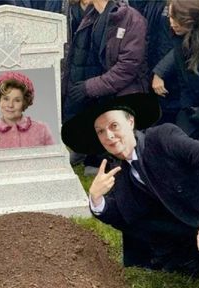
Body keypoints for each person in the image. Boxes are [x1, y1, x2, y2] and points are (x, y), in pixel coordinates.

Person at [62, 93, 199, 288]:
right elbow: (125, 217)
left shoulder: (162, 137)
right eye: (101, 132)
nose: (109, 135)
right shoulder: (119, 170)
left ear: (130, 121)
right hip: (187, 231)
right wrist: (96, 198)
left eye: (114, 125)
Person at [62, 0, 148, 174]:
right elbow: (79, 54)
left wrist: (89, 87)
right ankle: (85, 150)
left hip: (125, 89)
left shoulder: (131, 19)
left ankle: (116, 160)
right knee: (82, 103)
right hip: (98, 84)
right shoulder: (91, 14)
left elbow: (127, 68)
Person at [154, 0, 199, 147]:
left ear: (192, 18)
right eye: (170, 17)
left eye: (177, 18)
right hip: (194, 106)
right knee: (176, 145)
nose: (172, 23)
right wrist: (188, 107)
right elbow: (184, 80)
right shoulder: (180, 41)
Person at [0, 71, 55, 150]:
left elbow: (54, 159)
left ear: (24, 102)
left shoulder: (42, 130)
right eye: (6, 99)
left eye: (17, 100)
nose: (10, 105)